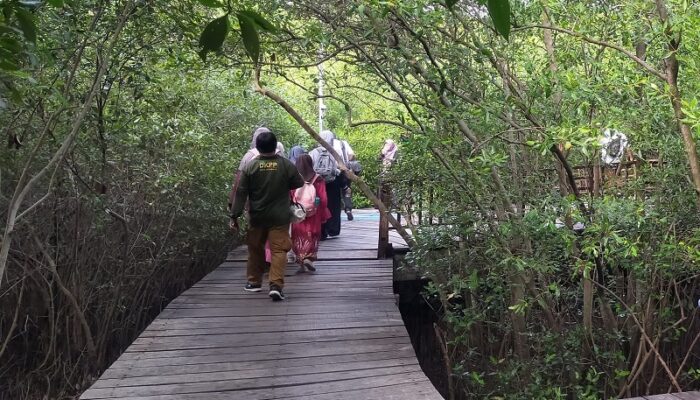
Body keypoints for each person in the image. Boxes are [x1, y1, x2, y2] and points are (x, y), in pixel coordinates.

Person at [230, 130, 304, 301]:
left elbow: (241, 193)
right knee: (279, 250)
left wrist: (234, 215)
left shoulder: (251, 166)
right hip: (280, 216)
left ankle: (254, 282)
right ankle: (276, 285)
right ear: (275, 146)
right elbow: (298, 182)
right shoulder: (285, 165)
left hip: (257, 216)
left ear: (257, 146)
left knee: (255, 248)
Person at [291, 154, 330, 273]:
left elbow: (290, 195)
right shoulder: (317, 178)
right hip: (314, 212)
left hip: (298, 212)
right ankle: (309, 258)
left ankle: (301, 261)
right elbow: (323, 199)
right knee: (312, 234)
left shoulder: (293, 178)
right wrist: (323, 212)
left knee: (298, 235)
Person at [310, 130, 351, 239]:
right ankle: (332, 230)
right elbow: (337, 170)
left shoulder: (313, 152)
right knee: (334, 207)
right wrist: (345, 185)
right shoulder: (333, 152)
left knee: (319, 206)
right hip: (333, 183)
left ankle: (321, 231)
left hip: (317, 184)